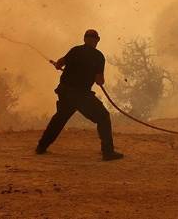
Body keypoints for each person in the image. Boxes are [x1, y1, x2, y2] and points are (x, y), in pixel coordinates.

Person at [36, 29, 124, 161]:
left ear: (84, 39)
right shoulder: (98, 56)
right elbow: (99, 80)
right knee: (103, 117)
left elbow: (60, 62)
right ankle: (108, 152)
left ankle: (41, 147)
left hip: (65, 92)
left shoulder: (75, 50)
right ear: (97, 40)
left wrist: (58, 65)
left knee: (60, 118)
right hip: (81, 95)